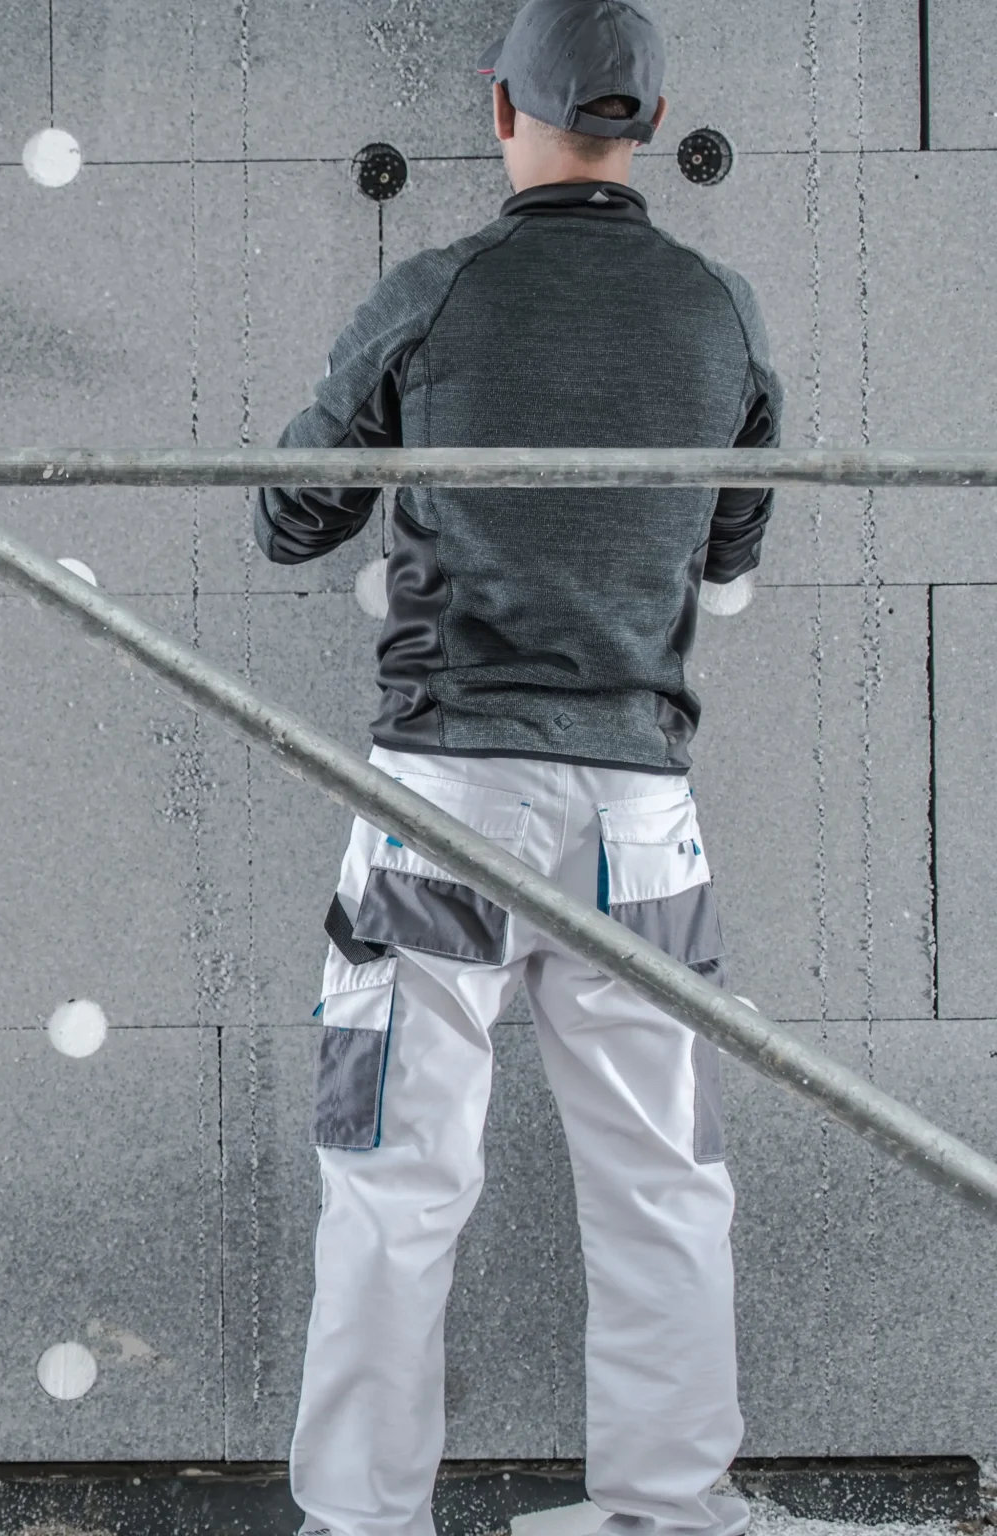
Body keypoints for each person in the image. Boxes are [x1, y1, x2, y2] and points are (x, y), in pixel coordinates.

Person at [254, 4, 779, 1536]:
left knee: (391, 1178)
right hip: (640, 824)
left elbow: (288, 516)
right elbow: (731, 540)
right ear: (650, 116)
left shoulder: (435, 293)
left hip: (441, 810)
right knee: (666, 1183)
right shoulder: (719, 309)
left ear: (501, 108)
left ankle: (361, 1523)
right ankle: (675, 1513)